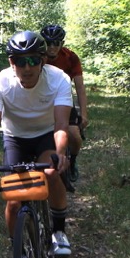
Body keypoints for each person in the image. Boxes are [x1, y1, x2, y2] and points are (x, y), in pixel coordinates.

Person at [0, 30, 73, 258]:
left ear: (43, 61)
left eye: (33, 60)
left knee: (50, 173)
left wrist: (59, 154)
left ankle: (58, 231)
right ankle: (20, 255)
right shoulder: (0, 83)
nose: (27, 68)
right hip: (15, 137)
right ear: (11, 62)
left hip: (47, 134)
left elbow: (61, 124)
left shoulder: (59, 79)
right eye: (20, 61)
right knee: (14, 200)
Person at [40, 23, 88, 188]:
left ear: (62, 43)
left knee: (74, 135)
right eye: (48, 43)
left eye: (56, 43)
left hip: (63, 100)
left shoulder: (70, 57)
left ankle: (72, 161)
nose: (52, 47)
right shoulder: (37, 55)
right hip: (41, 101)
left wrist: (84, 113)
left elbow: (80, 87)